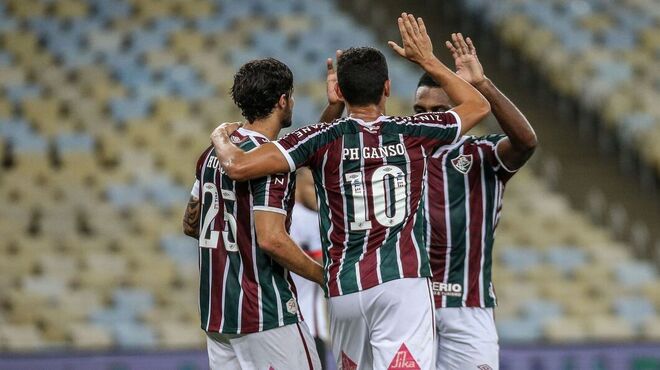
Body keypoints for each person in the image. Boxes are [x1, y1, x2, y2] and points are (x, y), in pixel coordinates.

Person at [208, 13, 490, 369]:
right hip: (401, 283)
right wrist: (427, 60)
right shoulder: (414, 130)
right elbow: (479, 105)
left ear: (339, 90)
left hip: (344, 286)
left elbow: (239, 166)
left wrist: (220, 134)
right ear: (387, 88)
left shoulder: (321, 139)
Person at [182, 58, 323, 369]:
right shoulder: (271, 161)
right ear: (283, 100)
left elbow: (191, 224)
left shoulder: (211, 155)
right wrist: (323, 276)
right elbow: (271, 240)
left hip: (218, 317)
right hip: (265, 313)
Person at [420, 34, 538, 370]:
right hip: (412, 308)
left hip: (467, 307)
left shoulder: (481, 152)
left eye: (439, 110)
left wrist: (482, 84)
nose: (428, 118)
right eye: (420, 110)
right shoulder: (402, 153)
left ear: (460, 110)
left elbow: (526, 143)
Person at [289, 168, 330, 367]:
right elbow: (327, 266)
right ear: (296, 186)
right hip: (310, 326)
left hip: (283, 325)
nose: (319, 192)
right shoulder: (309, 219)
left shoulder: (276, 219)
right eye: (313, 186)